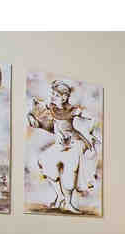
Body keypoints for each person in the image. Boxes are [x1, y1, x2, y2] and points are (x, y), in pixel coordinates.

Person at [27, 79, 100, 213]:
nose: (53, 97)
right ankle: (60, 196)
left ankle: (68, 203)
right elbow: (33, 110)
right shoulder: (51, 106)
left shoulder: (72, 110)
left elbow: (92, 118)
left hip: (75, 143)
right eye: (52, 94)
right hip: (61, 144)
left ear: (64, 97)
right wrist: (31, 117)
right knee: (44, 161)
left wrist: (90, 131)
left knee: (69, 169)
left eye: (56, 95)